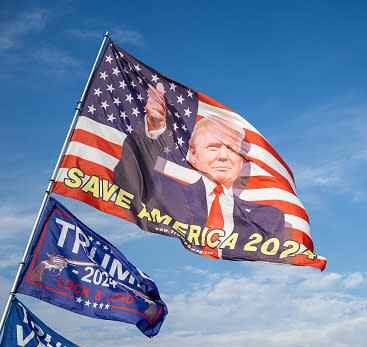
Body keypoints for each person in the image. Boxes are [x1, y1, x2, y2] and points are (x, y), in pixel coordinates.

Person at [113, 83, 286, 261]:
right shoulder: (168, 193)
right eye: (214, 146)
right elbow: (128, 182)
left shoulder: (270, 218)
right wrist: (153, 129)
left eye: (233, 149)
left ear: (241, 161)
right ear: (193, 153)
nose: (224, 156)